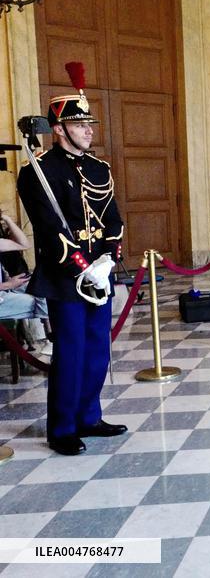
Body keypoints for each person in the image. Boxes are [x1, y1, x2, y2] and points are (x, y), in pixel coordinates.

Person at [17, 61, 127, 456]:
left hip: (101, 272)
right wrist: (85, 268)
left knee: (99, 348)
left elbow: (113, 219)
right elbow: (50, 232)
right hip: (67, 277)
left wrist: (109, 260)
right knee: (71, 351)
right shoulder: (38, 173)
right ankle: (62, 427)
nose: (89, 130)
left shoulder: (99, 168)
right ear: (59, 129)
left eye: (90, 125)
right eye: (80, 126)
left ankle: (89, 416)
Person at [0, 209, 50, 353]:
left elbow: (24, 244)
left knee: (42, 290)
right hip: (3, 293)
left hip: (5, 291)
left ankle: (52, 339)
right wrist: (8, 285)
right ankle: (52, 338)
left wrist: (6, 218)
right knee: (41, 300)